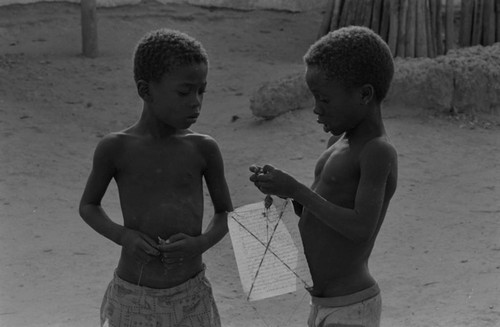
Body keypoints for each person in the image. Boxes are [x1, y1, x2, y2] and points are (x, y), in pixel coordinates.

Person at [79, 28, 233, 327]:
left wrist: (200, 243)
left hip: (191, 297)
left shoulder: (203, 148)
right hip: (133, 296)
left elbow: (225, 213)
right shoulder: (116, 148)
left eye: (202, 90)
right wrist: (123, 236)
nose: (196, 102)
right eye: (184, 91)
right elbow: (89, 206)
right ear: (145, 90)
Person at [249, 26, 398, 327]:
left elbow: (360, 229)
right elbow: (321, 214)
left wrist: (298, 190)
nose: (316, 109)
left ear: (364, 94)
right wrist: (286, 193)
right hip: (322, 303)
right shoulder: (337, 144)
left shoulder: (377, 152)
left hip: (352, 305)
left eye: (325, 100)